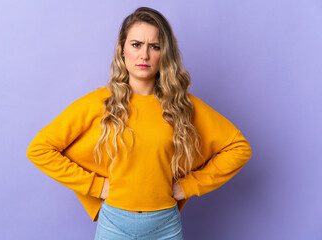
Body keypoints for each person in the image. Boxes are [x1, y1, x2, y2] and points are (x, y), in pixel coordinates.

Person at [26, 6, 252, 240]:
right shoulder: (97, 103)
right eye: (136, 45)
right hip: (114, 224)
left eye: (154, 46)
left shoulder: (182, 106)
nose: (144, 55)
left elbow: (238, 148)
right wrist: (96, 187)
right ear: (122, 49)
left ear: (164, 54)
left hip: (165, 225)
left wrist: (188, 186)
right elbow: (39, 149)